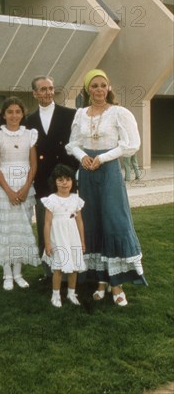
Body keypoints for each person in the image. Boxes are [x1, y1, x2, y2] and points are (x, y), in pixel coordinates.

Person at [66, 69, 148, 306]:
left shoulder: (119, 113)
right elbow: (73, 144)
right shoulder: (81, 114)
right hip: (88, 174)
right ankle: (100, 280)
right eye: (94, 86)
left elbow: (131, 144)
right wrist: (83, 157)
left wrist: (102, 158)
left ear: (109, 88)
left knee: (114, 220)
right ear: (87, 90)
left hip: (109, 170)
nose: (99, 89)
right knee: (92, 220)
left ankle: (117, 283)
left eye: (103, 85)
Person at [25, 76, 78, 280]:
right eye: (43, 89)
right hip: (42, 182)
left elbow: (76, 146)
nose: (48, 93)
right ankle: (48, 273)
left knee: (67, 226)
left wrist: (71, 174)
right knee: (44, 227)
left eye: (50, 88)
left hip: (66, 180)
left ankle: (70, 271)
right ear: (35, 93)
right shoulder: (29, 121)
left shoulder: (70, 115)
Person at [0, 97, 40, 291]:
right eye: (10, 112)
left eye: (18, 112)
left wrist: (26, 187)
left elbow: (33, 164)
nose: (14, 116)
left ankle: (18, 273)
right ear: (4, 115)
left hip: (25, 185)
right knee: (6, 230)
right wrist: (8, 191)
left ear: (22, 114)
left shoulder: (30, 135)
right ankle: (7, 274)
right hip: (4, 188)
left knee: (21, 230)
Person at [42, 164, 86, 308]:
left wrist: (82, 241)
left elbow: (79, 222)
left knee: (73, 268)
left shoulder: (75, 199)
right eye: (60, 180)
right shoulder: (52, 200)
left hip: (72, 237)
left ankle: (71, 293)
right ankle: (55, 295)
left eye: (67, 179)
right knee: (58, 268)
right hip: (58, 238)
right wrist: (48, 244)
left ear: (72, 182)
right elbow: (47, 223)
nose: (64, 183)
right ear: (54, 182)